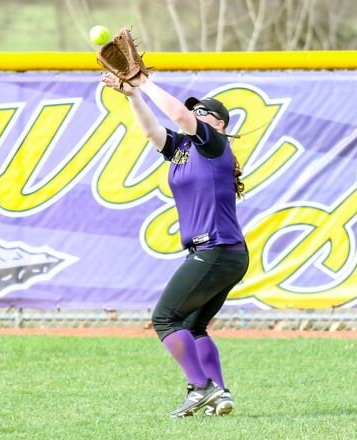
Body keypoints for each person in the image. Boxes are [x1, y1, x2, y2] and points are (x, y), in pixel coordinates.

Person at [101, 71, 249, 417]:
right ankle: (220, 395)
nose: (196, 115)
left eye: (204, 113)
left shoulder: (214, 144)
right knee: (194, 325)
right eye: (195, 111)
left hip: (216, 249)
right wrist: (131, 95)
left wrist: (143, 82)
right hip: (224, 253)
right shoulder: (184, 149)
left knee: (165, 319)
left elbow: (180, 115)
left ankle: (201, 388)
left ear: (220, 125)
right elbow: (153, 132)